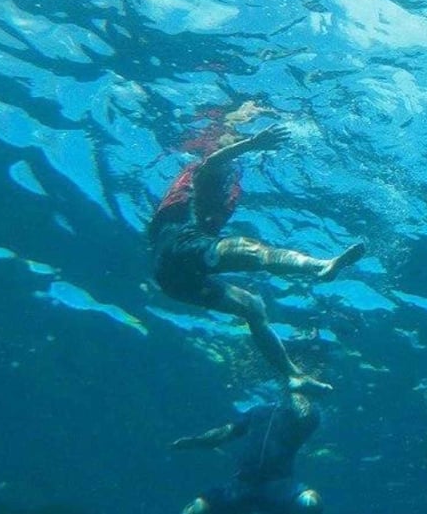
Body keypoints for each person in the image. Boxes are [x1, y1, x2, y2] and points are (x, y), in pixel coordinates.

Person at [148, 121, 365, 393]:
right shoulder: (203, 171)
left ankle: (292, 375)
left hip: (173, 279)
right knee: (254, 250)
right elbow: (213, 161)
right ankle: (319, 266)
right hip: (179, 245)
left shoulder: (221, 181)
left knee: (252, 307)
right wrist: (252, 143)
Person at [171, 392, 323, 513]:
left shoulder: (309, 413)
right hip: (241, 486)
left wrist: (296, 388)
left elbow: (304, 415)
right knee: (197, 508)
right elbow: (226, 431)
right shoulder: (258, 411)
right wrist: (198, 441)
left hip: (279, 485)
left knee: (311, 503)